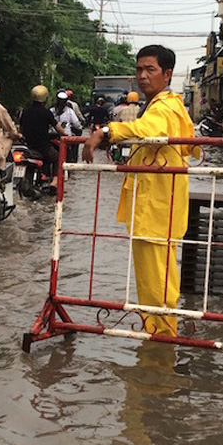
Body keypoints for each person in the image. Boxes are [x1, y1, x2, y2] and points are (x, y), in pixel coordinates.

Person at [82, 44, 195, 337]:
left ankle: (161, 342)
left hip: (156, 207)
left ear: (167, 74)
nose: (143, 76)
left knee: (156, 282)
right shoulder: (167, 104)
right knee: (158, 279)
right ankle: (157, 344)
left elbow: (148, 128)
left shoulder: (164, 107)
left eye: (151, 70)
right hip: (160, 204)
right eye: (139, 69)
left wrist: (106, 132)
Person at [20, 84, 65, 187]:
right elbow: (58, 128)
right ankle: (54, 182)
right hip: (42, 147)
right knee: (58, 158)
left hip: (28, 146)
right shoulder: (46, 113)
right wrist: (66, 135)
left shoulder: (26, 112)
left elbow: (21, 129)